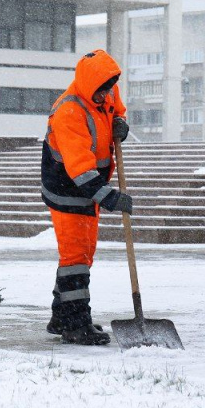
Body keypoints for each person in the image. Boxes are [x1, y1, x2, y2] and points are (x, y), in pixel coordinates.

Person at [41, 49, 133, 345]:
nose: (105, 95)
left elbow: (116, 109)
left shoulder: (106, 91)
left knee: (84, 255)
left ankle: (62, 316)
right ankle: (74, 325)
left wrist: (120, 122)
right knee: (76, 258)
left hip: (90, 189)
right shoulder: (69, 111)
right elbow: (79, 167)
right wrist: (108, 197)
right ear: (89, 84)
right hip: (68, 189)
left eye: (108, 88)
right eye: (101, 90)